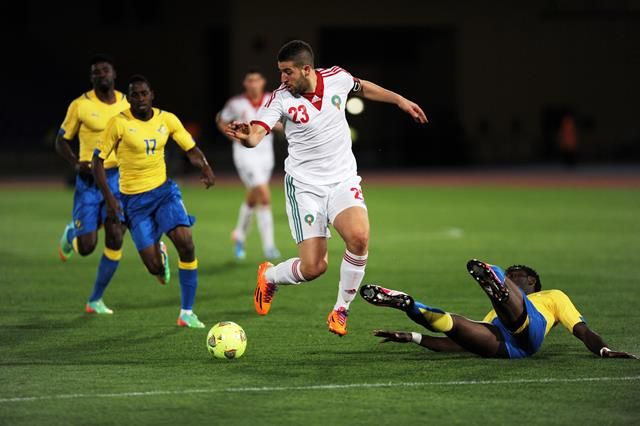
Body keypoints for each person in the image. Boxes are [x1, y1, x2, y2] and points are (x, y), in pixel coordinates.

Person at [225, 40, 428, 336]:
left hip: (343, 180)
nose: (282, 78)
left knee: (359, 237)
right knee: (314, 268)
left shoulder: (336, 78)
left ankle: (341, 309)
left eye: (287, 72)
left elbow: (362, 87)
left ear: (306, 69)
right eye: (280, 72)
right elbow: (256, 134)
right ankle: (269, 276)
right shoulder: (280, 99)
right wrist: (246, 137)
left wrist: (399, 100)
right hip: (305, 187)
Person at [92, 75, 216, 328]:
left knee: (186, 243)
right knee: (154, 268)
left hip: (164, 193)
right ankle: (160, 257)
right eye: (134, 95)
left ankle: (187, 312)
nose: (140, 98)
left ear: (152, 95)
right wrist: (110, 198)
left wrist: (204, 166)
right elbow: (97, 161)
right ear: (128, 99)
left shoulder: (167, 119)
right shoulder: (118, 123)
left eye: (144, 93)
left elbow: (190, 148)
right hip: (134, 202)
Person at [360, 259, 637, 359]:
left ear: (532, 281)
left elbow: (582, 330)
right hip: (504, 347)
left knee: (512, 309)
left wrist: (604, 349)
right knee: (455, 325)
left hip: (529, 335)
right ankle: (409, 305)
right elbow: (459, 345)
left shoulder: (552, 296)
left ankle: (494, 278)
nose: (515, 277)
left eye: (517, 276)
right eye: (510, 276)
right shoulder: (494, 314)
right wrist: (414, 337)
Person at [55, 54, 129, 315]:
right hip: (89, 180)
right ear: (92, 78)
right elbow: (61, 140)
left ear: (114, 74)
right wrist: (76, 162)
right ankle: (71, 234)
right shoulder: (80, 105)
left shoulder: (127, 103)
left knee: (116, 236)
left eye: (105, 70)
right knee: (87, 247)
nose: (101, 75)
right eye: (96, 72)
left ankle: (95, 299)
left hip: (117, 177)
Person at [216, 69, 281, 261]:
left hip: (265, 155)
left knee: (253, 199)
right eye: (250, 80)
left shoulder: (272, 99)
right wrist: (234, 136)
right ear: (245, 84)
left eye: (257, 80)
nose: (253, 83)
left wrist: (277, 127)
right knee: (264, 196)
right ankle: (269, 247)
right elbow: (221, 120)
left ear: (263, 82)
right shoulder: (236, 103)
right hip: (245, 154)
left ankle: (239, 234)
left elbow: (281, 122)